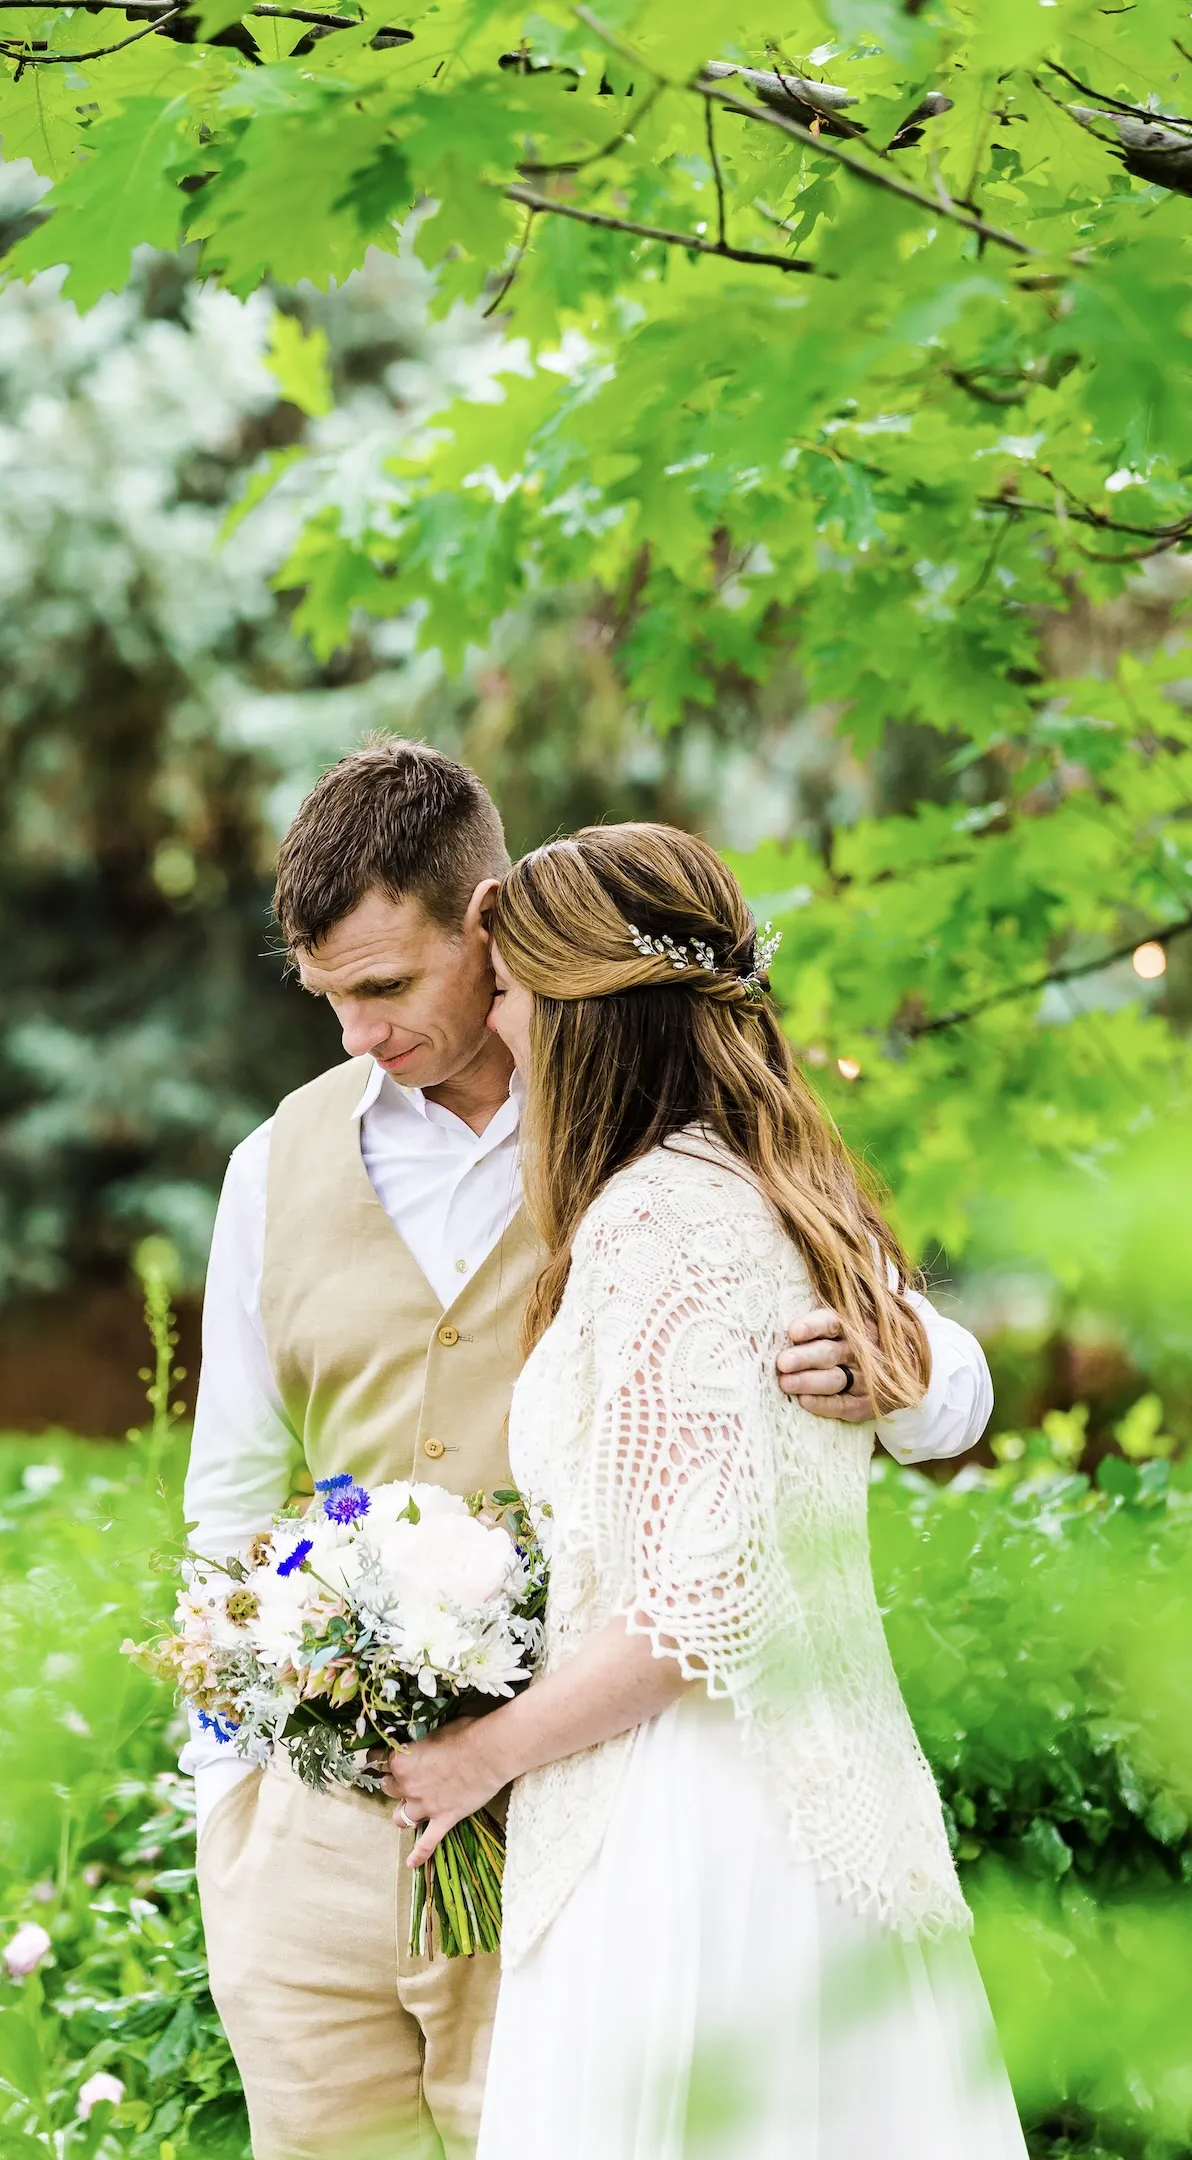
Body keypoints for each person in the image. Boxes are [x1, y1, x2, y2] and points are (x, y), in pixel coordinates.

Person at [184, 744, 995, 2160]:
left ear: (486, 922)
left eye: (386, 987)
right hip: (319, 1828)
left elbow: (904, 1367)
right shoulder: (277, 1163)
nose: (356, 1035)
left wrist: (906, 1370)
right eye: (328, 999)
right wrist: (226, 1794)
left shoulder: (656, 1149)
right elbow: (232, 1490)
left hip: (579, 1787)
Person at [383, 822, 1026, 2160]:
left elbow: (694, 1607)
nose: (494, 1020)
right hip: (821, 1810)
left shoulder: (657, 1224)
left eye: (509, 989)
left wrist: (473, 1759)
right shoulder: (779, 1194)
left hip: (687, 1834)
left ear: (576, 1014)